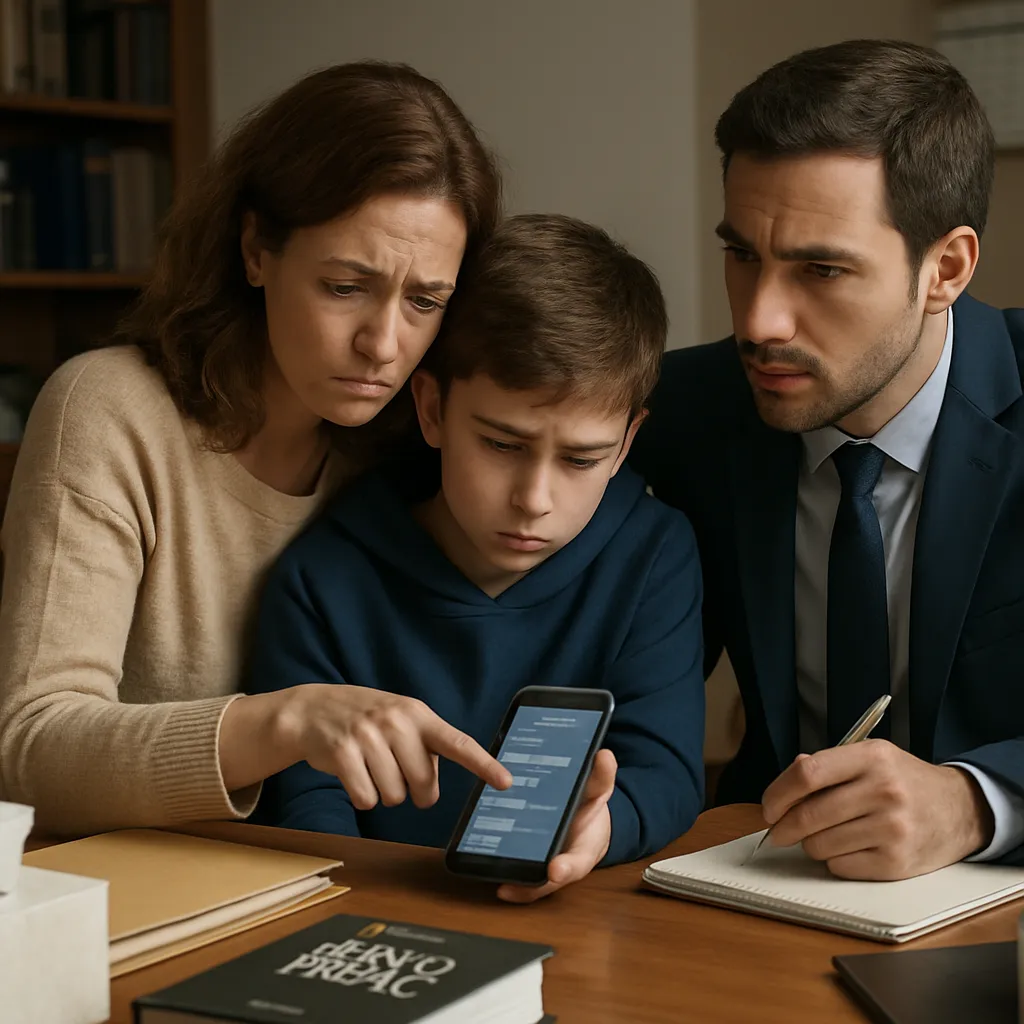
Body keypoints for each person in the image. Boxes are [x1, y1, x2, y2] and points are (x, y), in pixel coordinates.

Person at [0, 61, 511, 837]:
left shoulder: (411, 445)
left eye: (425, 301)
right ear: (255, 251)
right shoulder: (108, 410)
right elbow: (30, 749)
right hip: (118, 892)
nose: (384, 344)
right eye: (345, 286)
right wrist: (286, 722)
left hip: (325, 880)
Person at [631, 39, 1024, 878]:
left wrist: (976, 802)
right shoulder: (682, 413)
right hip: (759, 876)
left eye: (821, 269)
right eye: (743, 255)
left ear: (945, 269)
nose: (761, 321)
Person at [247, 214, 706, 902]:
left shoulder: (654, 554)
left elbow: (664, 768)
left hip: (572, 918)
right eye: (501, 444)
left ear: (626, 443)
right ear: (432, 409)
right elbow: (308, 807)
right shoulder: (322, 578)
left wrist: (600, 827)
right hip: (374, 926)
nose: (534, 500)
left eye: (581, 459)